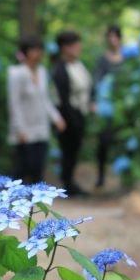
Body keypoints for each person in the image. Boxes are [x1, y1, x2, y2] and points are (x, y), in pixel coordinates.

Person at [7, 35, 66, 183]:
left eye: (40, 50)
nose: (38, 54)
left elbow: (44, 98)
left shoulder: (42, 71)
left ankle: (36, 201)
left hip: (41, 127)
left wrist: (56, 117)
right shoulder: (16, 73)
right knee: (23, 166)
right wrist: (19, 129)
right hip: (24, 127)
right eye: (34, 50)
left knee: (38, 167)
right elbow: (14, 102)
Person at [52, 31, 92, 196]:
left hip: (80, 113)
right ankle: (67, 183)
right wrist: (71, 120)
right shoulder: (60, 69)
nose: (78, 48)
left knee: (74, 150)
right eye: (74, 45)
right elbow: (63, 99)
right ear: (64, 48)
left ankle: (69, 181)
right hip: (68, 116)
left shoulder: (79, 65)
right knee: (68, 150)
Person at [93, 25, 124, 188]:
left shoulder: (127, 58)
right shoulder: (102, 59)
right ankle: (101, 177)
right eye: (110, 36)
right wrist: (95, 103)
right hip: (106, 107)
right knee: (103, 142)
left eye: (115, 36)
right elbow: (96, 81)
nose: (112, 40)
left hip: (123, 106)